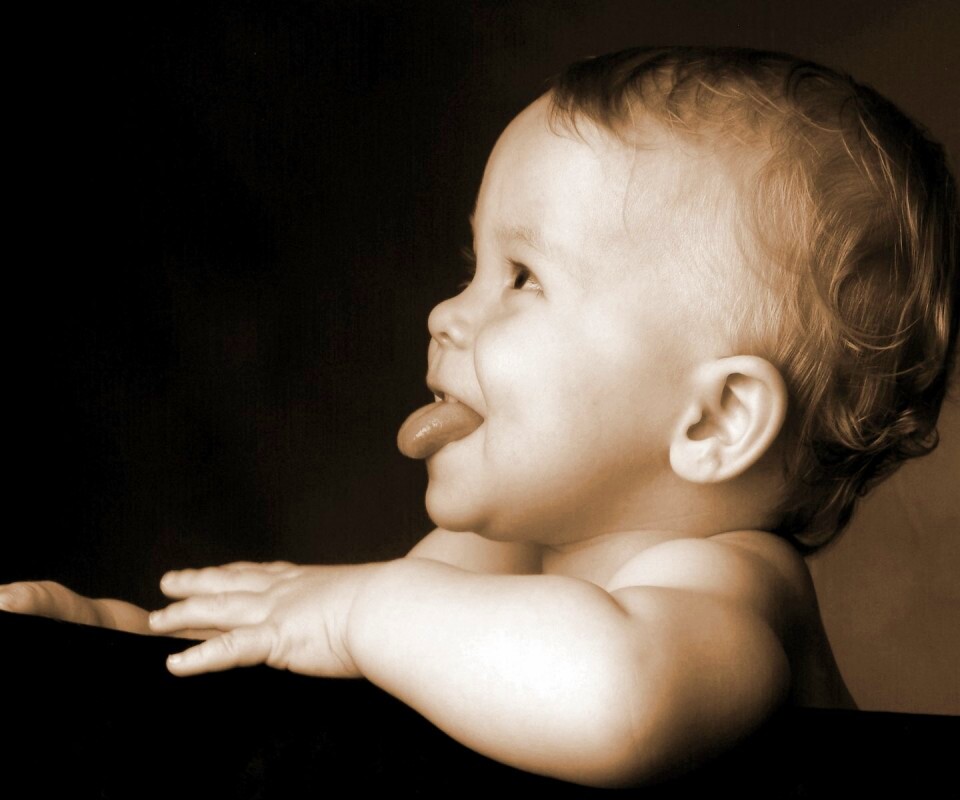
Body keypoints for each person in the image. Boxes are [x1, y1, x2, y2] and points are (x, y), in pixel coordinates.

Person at [1, 47, 956, 787]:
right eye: (473, 267)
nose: (445, 313)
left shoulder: (733, 584)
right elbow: (294, 680)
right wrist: (116, 648)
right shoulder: (489, 561)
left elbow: (614, 704)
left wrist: (360, 610)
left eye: (522, 278)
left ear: (713, 421)